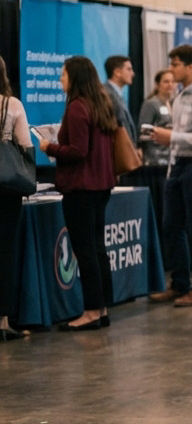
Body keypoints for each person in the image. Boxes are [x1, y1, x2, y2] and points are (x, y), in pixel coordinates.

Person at [41, 56, 117, 329]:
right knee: (97, 249)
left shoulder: (76, 108)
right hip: (101, 186)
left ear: (75, 77)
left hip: (82, 188)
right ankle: (102, 309)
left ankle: (91, 312)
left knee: (85, 250)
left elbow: (77, 151)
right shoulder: (100, 105)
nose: (60, 79)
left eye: (63, 75)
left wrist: (50, 147)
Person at [147, 45, 192, 307]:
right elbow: (179, 141)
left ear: (191, 67)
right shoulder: (179, 98)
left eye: (176, 64)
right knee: (171, 226)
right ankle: (179, 284)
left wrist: (172, 137)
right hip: (178, 167)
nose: (172, 69)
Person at [0, 56, 33, 340]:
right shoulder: (11, 105)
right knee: (5, 252)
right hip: (6, 189)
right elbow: (26, 145)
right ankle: (3, 320)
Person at [137, 68, 176, 223]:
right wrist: (165, 132)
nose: (170, 85)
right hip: (154, 163)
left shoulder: (173, 103)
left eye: (172, 81)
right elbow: (143, 131)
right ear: (158, 84)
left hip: (170, 161)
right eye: (166, 81)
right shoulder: (151, 104)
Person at [104, 54, 138, 147]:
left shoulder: (116, 94)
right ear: (117, 72)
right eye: (129, 69)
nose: (133, 74)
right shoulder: (107, 95)